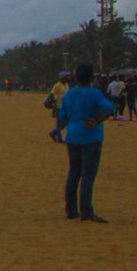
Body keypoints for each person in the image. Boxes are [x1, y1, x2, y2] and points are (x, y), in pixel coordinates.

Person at [49, 63, 116, 222]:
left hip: (72, 136)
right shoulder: (94, 93)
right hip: (91, 137)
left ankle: (71, 210)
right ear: (91, 77)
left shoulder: (69, 94)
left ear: (76, 77)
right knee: (88, 175)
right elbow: (110, 108)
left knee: (74, 173)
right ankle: (86, 211)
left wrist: (60, 129)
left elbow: (62, 117)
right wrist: (97, 120)